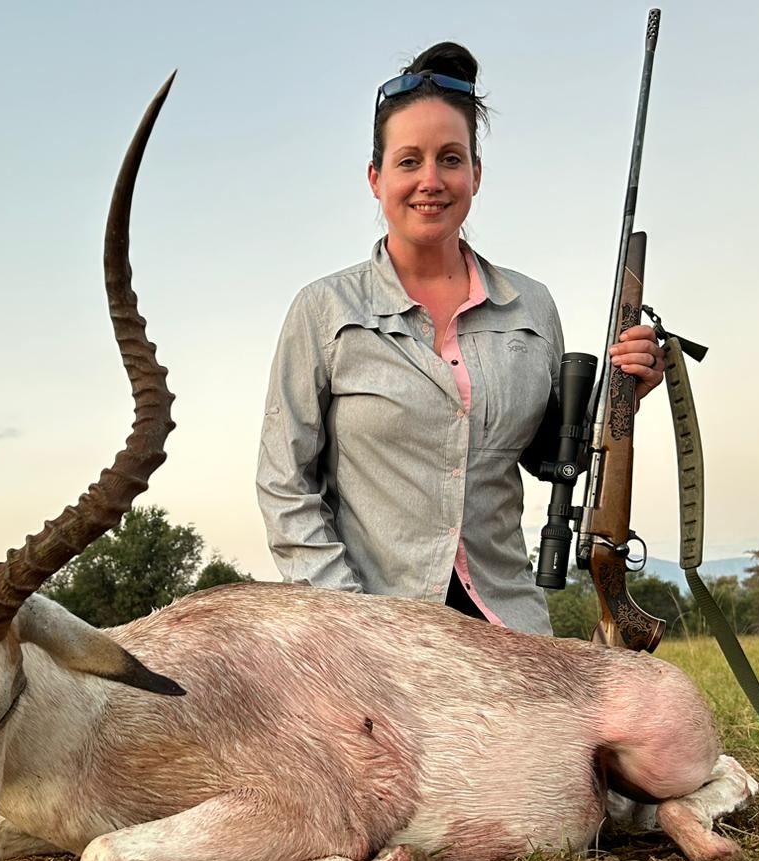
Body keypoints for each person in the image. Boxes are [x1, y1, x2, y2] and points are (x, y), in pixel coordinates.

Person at [256, 41, 665, 635]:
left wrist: (621, 398)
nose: (431, 181)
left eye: (450, 159)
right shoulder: (323, 311)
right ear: (375, 178)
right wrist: (354, 624)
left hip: (509, 629)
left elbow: (553, 457)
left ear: (475, 173)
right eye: (408, 161)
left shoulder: (532, 305)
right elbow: (285, 486)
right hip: (372, 635)